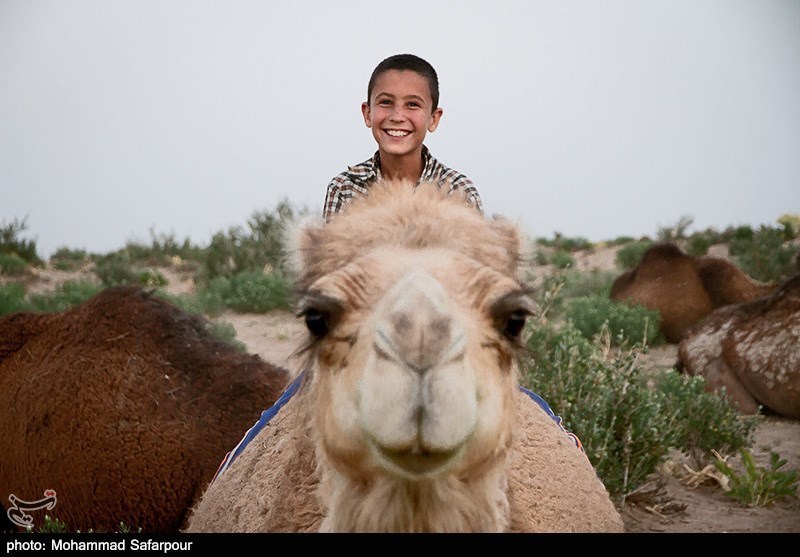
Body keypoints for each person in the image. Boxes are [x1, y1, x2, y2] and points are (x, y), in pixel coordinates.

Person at [323, 53, 483, 222]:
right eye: (386, 102)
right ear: (367, 113)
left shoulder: (459, 191)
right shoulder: (345, 188)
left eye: (412, 104)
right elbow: (332, 248)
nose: (397, 116)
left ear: (433, 118)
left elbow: (477, 248)